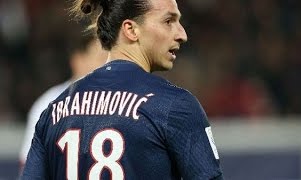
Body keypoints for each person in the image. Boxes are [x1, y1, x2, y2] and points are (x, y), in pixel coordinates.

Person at [21, 0, 224, 179]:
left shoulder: (54, 110)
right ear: (131, 29)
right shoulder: (174, 106)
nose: (182, 34)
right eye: (168, 21)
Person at [19, 16, 108, 168]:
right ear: (78, 60)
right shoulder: (48, 104)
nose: (108, 65)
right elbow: (29, 168)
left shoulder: (123, 100)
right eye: (101, 58)